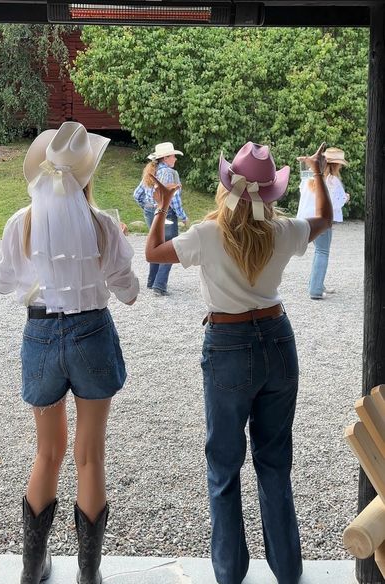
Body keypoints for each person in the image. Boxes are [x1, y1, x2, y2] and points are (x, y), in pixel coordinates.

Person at [145, 141, 332, 584]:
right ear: (270, 194)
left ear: (227, 187)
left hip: (227, 344)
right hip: (277, 340)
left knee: (224, 463)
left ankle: (230, 572)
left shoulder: (208, 235)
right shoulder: (282, 231)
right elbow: (324, 220)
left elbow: (153, 253)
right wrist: (320, 175)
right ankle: (287, 568)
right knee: (274, 460)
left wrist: (162, 208)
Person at [0, 122, 139, 584]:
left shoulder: (22, 221)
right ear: (87, 175)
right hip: (91, 332)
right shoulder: (101, 224)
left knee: (47, 452)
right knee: (90, 456)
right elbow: (129, 292)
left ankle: (32, 568)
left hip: (39, 335)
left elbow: (1, 282)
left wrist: (36, 280)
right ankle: (88, 574)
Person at [133, 141, 189, 295]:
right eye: (173, 156)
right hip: (166, 214)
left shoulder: (151, 172)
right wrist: (183, 216)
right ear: (165, 158)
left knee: (155, 245)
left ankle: (152, 282)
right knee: (170, 248)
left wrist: (147, 208)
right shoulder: (170, 174)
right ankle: (159, 285)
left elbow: (137, 194)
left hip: (151, 212)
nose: (175, 159)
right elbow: (174, 198)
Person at [297, 146, 350, 299]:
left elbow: (302, 189)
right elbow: (335, 203)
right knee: (322, 252)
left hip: (306, 220)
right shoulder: (333, 181)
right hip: (322, 221)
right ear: (336, 165)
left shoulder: (309, 178)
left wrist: (306, 161)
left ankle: (317, 283)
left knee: (318, 252)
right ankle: (316, 290)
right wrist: (346, 197)